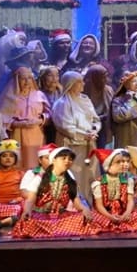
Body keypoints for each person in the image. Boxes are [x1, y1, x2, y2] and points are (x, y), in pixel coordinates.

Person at [50, 70, 100, 198]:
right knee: (73, 175)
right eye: (79, 82)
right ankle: (72, 202)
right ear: (70, 84)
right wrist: (84, 135)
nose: (83, 84)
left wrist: (94, 130)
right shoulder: (62, 104)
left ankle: (88, 201)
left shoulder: (85, 100)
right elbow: (65, 126)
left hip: (89, 144)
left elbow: (95, 119)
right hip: (71, 146)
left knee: (89, 173)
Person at [89, 147, 137, 233]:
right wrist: (110, 217)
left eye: (127, 161)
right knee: (93, 220)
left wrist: (126, 213)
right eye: (120, 162)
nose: (125, 164)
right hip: (106, 213)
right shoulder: (99, 183)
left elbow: (130, 200)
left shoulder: (128, 181)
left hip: (123, 211)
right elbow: (99, 205)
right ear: (109, 165)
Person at [0, 66, 50, 169]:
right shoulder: (9, 97)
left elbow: (49, 114)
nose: (27, 82)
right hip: (17, 133)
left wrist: (40, 120)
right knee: (19, 164)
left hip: (36, 134)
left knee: (36, 163)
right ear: (17, 80)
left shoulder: (39, 95)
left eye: (29, 78)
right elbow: (2, 118)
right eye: (23, 79)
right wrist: (17, 123)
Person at [0, 139, 24, 205]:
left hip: (17, 204)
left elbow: (26, 192)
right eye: (4, 156)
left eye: (11, 156)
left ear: (15, 159)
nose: (8, 158)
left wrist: (19, 199)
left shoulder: (20, 174)